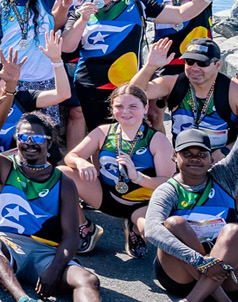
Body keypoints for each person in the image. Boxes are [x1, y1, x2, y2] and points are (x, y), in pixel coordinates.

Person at [0, 102, 147, 302]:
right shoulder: (5, 166)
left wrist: (55, 269)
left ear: (49, 142)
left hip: (45, 252)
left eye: (37, 138)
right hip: (7, 245)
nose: (29, 143)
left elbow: (71, 237)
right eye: (23, 137)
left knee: (87, 279)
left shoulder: (63, 182)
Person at [61, 0, 227, 139]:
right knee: (99, 137)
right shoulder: (80, 12)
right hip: (91, 86)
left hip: (129, 85)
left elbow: (179, 14)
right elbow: (67, 47)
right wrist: (83, 20)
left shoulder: (136, 4)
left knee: (132, 135)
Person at [140, 129, 238, 302]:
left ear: (211, 158)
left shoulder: (225, 176)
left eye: (201, 154)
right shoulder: (167, 190)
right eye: (187, 153)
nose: (195, 159)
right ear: (175, 156)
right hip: (182, 277)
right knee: (174, 224)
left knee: (236, 230)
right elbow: (152, 230)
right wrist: (200, 261)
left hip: (228, 275)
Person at [64, 84, 175, 258]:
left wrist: (137, 177)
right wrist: (80, 162)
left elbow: (167, 183)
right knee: (61, 174)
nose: (125, 112)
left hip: (140, 204)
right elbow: (71, 156)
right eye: (119, 106)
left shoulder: (157, 140)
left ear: (145, 108)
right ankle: (85, 226)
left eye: (133, 106)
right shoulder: (103, 132)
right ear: (112, 109)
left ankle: (134, 229)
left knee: (153, 233)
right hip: (105, 196)